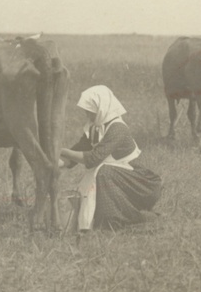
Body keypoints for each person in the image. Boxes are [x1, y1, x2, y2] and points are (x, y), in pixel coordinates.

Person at [60, 86, 162, 231]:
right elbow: (76, 153)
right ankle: (105, 218)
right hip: (117, 180)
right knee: (101, 175)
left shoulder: (118, 128)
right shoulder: (94, 128)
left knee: (103, 172)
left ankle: (134, 217)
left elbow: (93, 159)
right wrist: (53, 162)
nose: (87, 115)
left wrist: (61, 150)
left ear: (102, 108)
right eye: (86, 111)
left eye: (90, 111)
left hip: (140, 183)